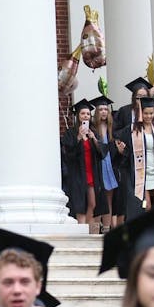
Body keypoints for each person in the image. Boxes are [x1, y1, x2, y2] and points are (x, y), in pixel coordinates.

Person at [61, 98, 107, 230]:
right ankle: (81, 229)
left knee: (92, 203)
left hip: (91, 173)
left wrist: (93, 138)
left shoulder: (93, 132)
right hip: (78, 174)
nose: (85, 116)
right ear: (77, 116)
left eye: (87, 114)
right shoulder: (71, 133)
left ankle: (88, 228)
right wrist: (78, 138)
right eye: (82, 113)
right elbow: (68, 153)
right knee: (80, 203)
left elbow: (101, 153)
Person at [114, 96, 154, 220]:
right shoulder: (133, 130)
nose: (149, 116)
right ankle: (147, 229)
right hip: (142, 174)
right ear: (141, 113)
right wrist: (121, 150)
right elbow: (116, 136)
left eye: (151, 113)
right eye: (146, 113)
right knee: (146, 205)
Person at [91, 95, 119, 233]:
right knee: (97, 199)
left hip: (109, 165)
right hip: (98, 165)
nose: (103, 112)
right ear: (96, 111)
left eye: (105, 109)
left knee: (108, 199)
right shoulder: (92, 127)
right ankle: (96, 228)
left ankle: (107, 229)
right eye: (100, 109)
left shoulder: (111, 128)